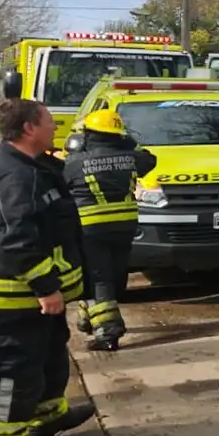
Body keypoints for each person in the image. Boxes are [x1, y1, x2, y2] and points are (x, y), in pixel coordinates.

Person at [0, 99, 95, 436]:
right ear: (29, 129)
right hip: (12, 297)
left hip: (29, 297)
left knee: (49, 358)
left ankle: (47, 417)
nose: (55, 127)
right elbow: (16, 238)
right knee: (12, 370)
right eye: (49, 121)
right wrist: (45, 287)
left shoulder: (28, 166)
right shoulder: (15, 175)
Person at [63, 109, 157, 351]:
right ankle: (88, 317)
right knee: (112, 274)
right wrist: (128, 143)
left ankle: (108, 332)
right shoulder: (131, 158)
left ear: (88, 134)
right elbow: (150, 159)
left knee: (98, 276)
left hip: (91, 229)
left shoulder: (74, 163)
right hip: (125, 228)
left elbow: (61, 184)